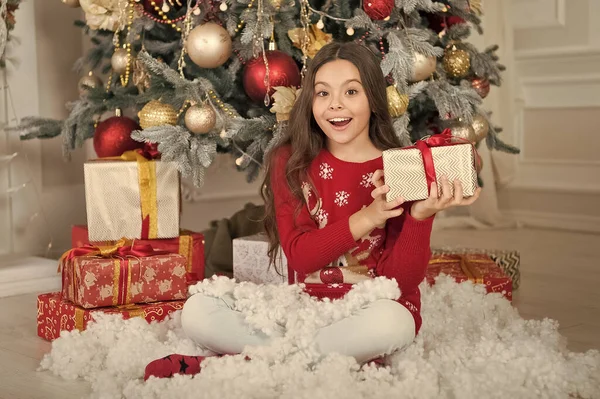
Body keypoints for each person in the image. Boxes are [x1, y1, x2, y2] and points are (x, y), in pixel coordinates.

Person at [144, 41, 481, 380]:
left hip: (369, 310)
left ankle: (244, 363)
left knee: (395, 324)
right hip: (302, 306)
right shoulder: (290, 162)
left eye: (351, 92)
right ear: (310, 100)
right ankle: (317, 358)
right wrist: (371, 216)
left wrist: (420, 217)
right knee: (198, 310)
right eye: (323, 93)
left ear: (373, 100)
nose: (335, 104)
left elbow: (399, 283)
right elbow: (303, 259)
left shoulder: (400, 166)